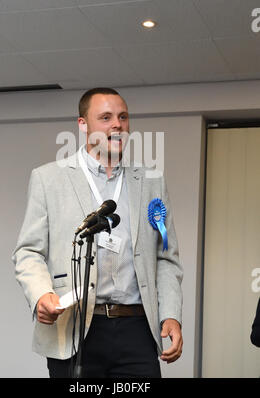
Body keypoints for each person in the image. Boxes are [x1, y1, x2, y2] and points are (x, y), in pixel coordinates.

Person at [12, 87, 183, 378]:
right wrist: (42, 295)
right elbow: (28, 252)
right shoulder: (48, 178)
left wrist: (171, 314)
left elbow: (166, 257)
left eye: (123, 117)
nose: (117, 124)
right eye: (105, 117)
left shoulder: (152, 181)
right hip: (75, 328)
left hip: (136, 328)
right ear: (83, 125)